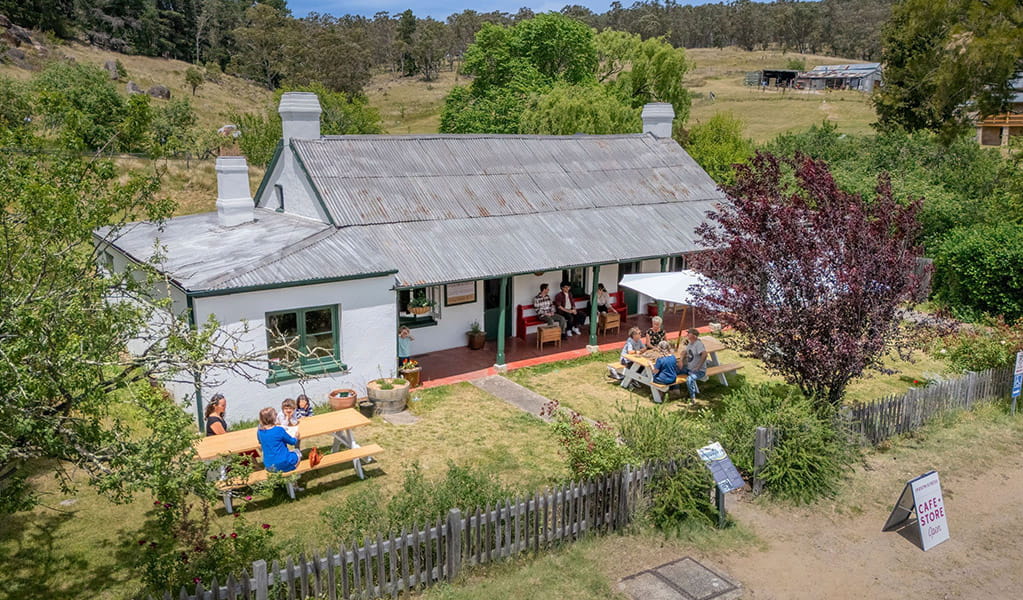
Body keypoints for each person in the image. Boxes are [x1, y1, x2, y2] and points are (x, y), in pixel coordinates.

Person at [257, 407, 302, 473]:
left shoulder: (260, 432)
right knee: (298, 452)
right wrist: (296, 437)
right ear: (272, 418)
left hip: (269, 466)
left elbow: (260, 442)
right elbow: (292, 442)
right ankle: (295, 475)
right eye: (275, 414)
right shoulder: (278, 430)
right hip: (284, 463)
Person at [678, 328, 708, 402]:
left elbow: (704, 354)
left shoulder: (698, 344)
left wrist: (698, 366)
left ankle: (692, 397)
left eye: (689, 333)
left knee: (689, 379)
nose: (687, 334)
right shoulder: (690, 343)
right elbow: (684, 352)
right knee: (675, 370)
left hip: (699, 371)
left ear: (694, 336)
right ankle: (675, 389)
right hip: (689, 368)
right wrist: (681, 361)